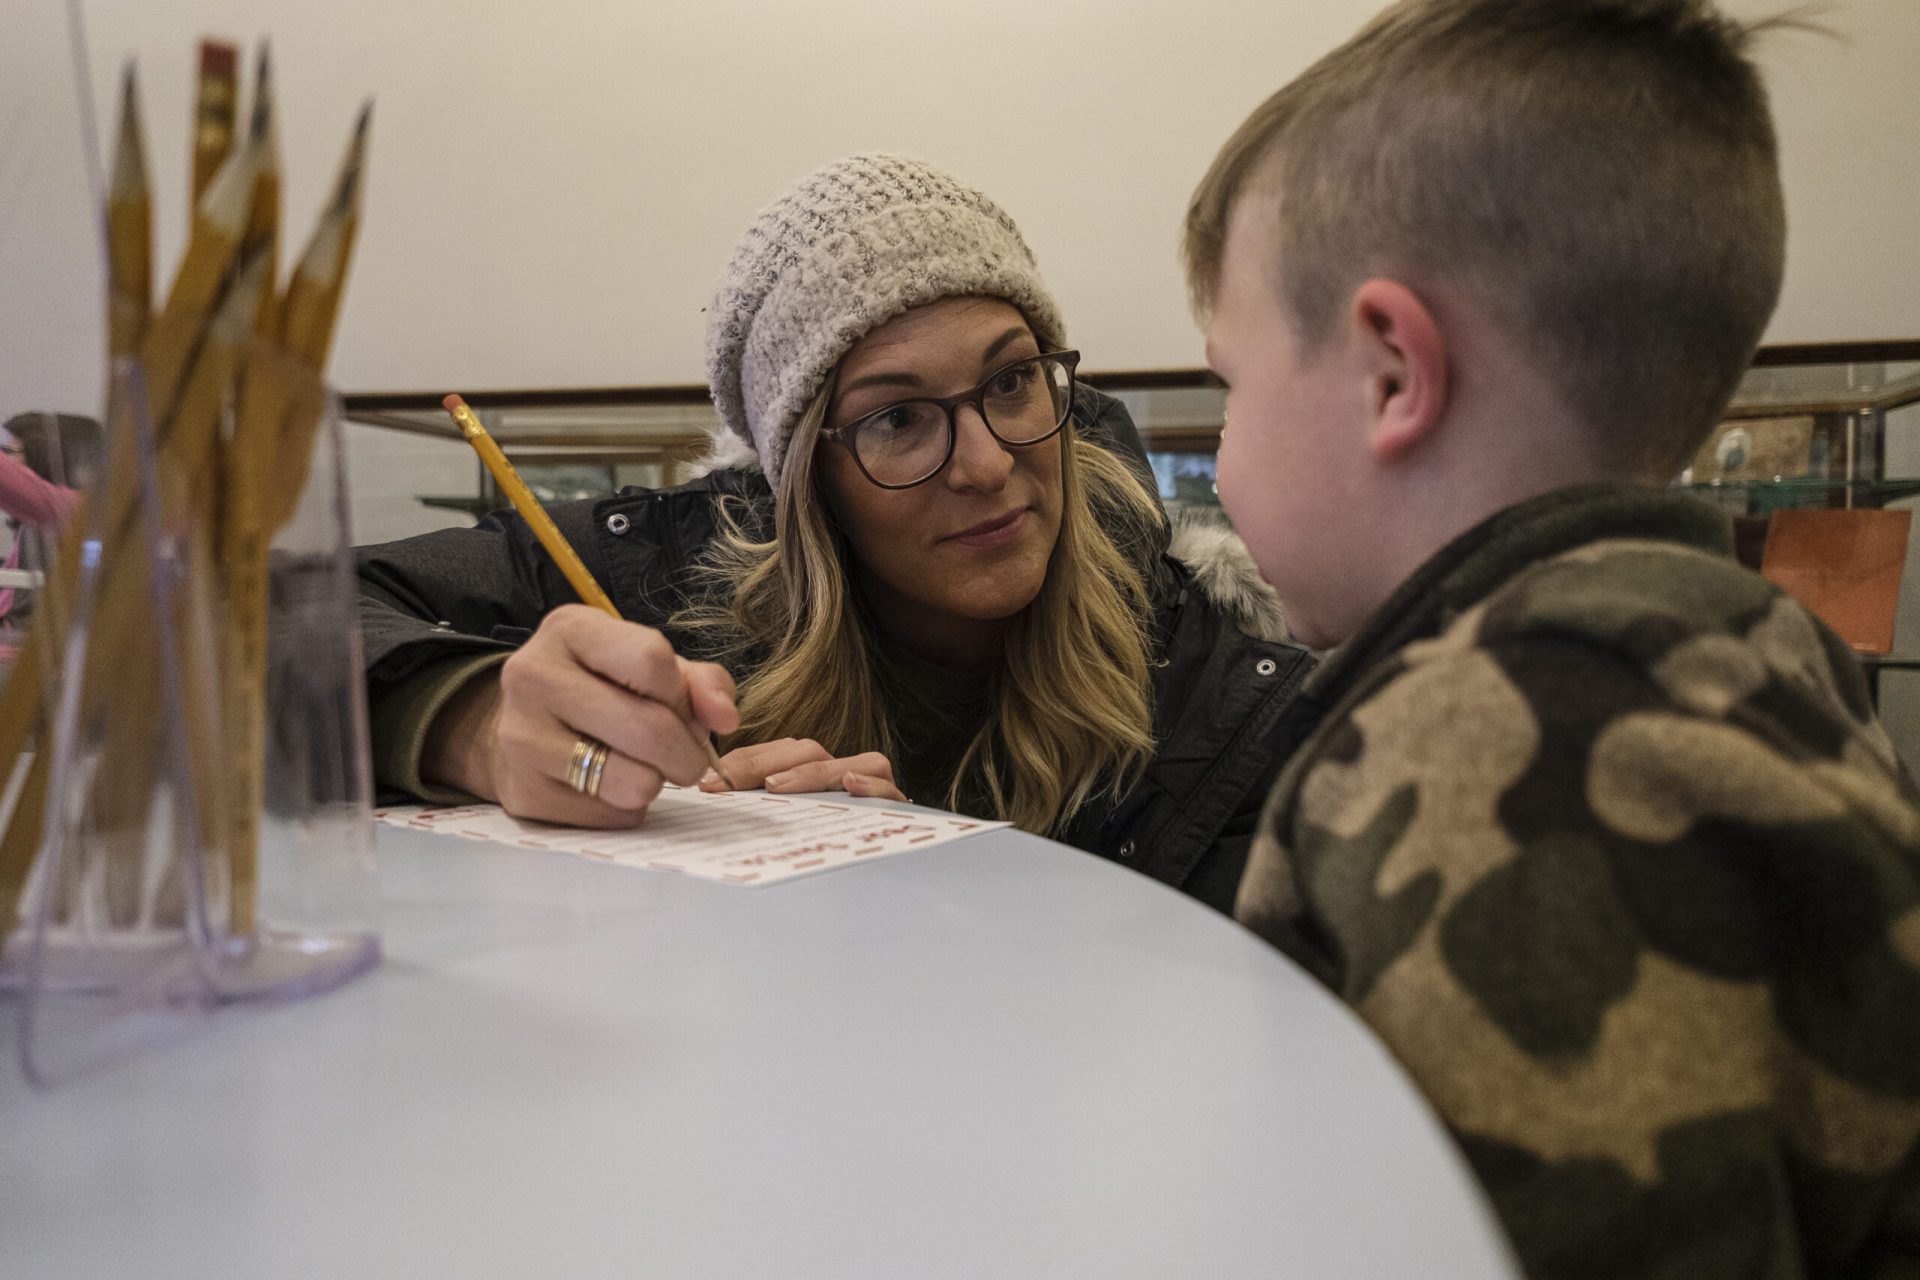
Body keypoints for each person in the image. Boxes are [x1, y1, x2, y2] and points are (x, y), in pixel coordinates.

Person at [1183, 0, 1920, 1274]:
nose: (1224, 456)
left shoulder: (1502, 742)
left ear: (1392, 373)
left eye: (1229, 386)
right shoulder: (1753, 641)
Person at [358, 154, 1314, 912]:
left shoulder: (1205, 673)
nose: (987, 465)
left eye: (1012, 380)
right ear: (807, 483)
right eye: (897, 419)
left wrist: (915, 909)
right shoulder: (666, 571)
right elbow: (296, 616)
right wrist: (467, 723)